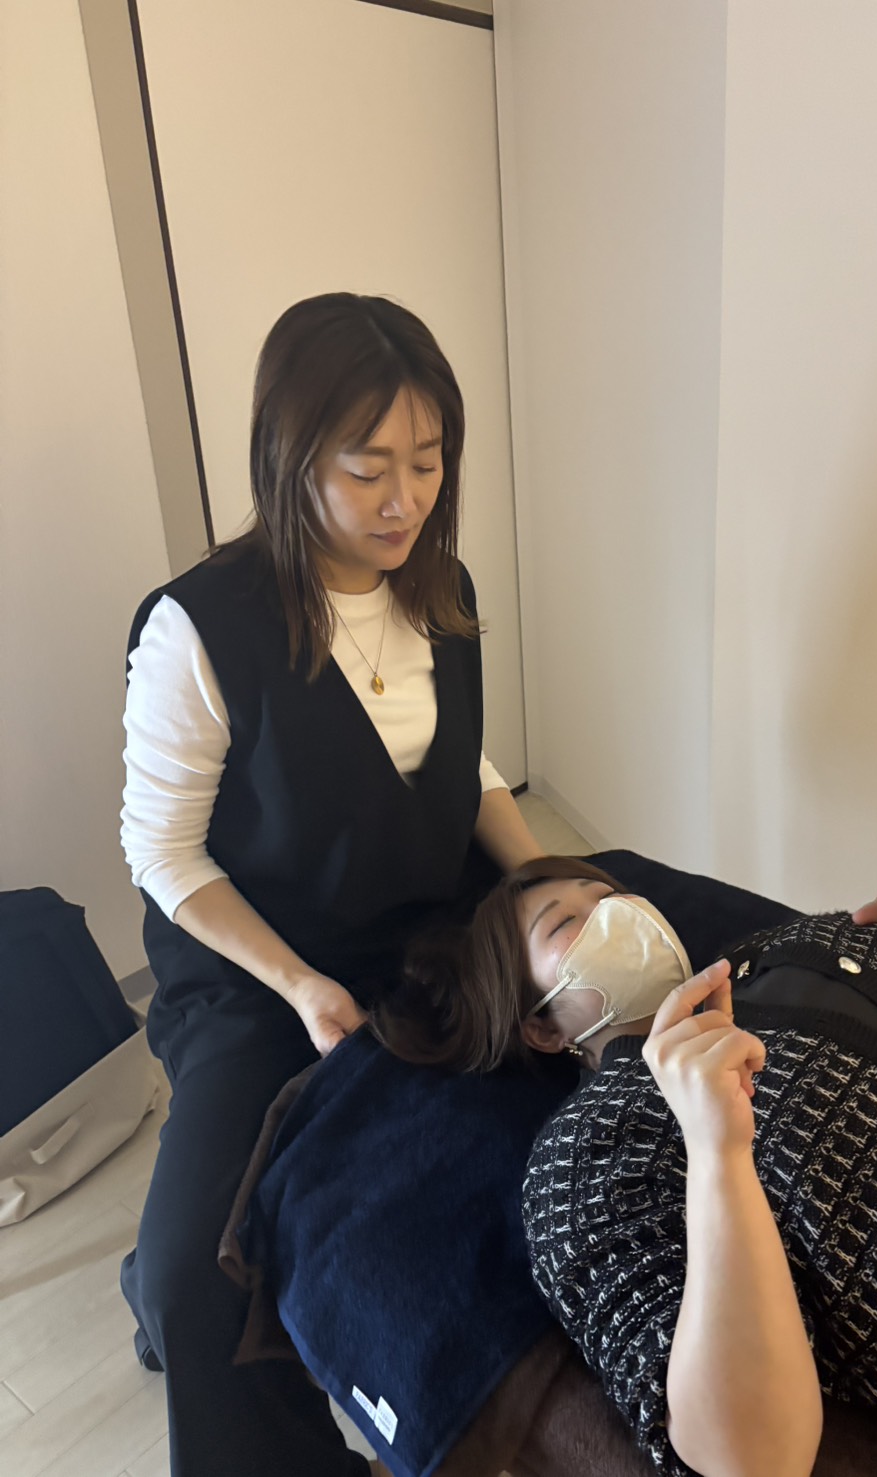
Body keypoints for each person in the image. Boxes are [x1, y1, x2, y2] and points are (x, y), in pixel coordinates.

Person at [119, 292, 544, 1477]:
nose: (405, 500)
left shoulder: (440, 589)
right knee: (192, 1280)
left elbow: (459, 767)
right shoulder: (201, 628)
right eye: (368, 470)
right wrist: (301, 985)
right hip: (260, 968)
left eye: (428, 462)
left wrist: (554, 878)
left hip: (421, 930)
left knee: (521, 1158)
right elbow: (162, 853)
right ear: (291, 456)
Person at [370, 857, 877, 1477]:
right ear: (540, 1025)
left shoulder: (786, 947)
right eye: (567, 923)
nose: (616, 913)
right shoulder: (585, 1156)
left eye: (612, 894)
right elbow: (749, 1458)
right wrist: (716, 1149)